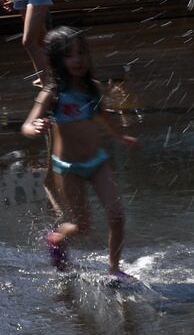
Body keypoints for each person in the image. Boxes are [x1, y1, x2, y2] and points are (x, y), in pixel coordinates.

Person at [21, 27, 138, 284]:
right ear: (57, 61)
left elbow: (102, 116)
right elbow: (27, 125)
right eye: (70, 55)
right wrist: (35, 127)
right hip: (68, 168)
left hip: (97, 162)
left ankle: (114, 269)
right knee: (81, 227)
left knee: (117, 216)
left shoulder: (92, 89)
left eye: (82, 53)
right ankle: (56, 240)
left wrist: (120, 136)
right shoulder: (52, 94)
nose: (78, 60)